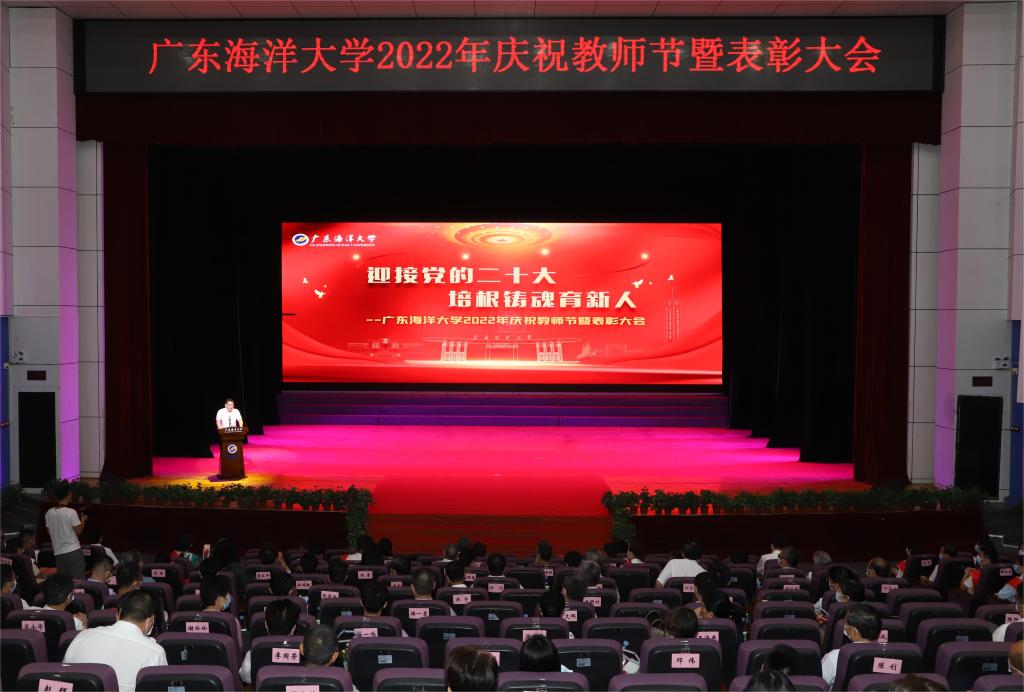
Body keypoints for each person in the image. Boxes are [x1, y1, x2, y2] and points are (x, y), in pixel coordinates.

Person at [63, 590, 165, 691]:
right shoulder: (155, 652)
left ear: (118, 613)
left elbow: (64, 675)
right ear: (150, 620)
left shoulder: (82, 636)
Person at [821, 603, 882, 687]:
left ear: (853, 632)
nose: (843, 625)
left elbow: (819, 684)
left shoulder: (835, 657)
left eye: (845, 623)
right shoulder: (888, 656)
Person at [240, 598, 299, 684]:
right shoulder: (305, 652)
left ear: (266, 625)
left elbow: (245, 677)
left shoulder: (253, 653)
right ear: (294, 628)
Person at [45, 480, 87, 578]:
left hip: (58, 554)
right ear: (68, 495)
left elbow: (48, 531)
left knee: (64, 582)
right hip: (73, 552)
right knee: (78, 581)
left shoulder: (49, 512)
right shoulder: (71, 512)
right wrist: (83, 520)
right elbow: (79, 531)